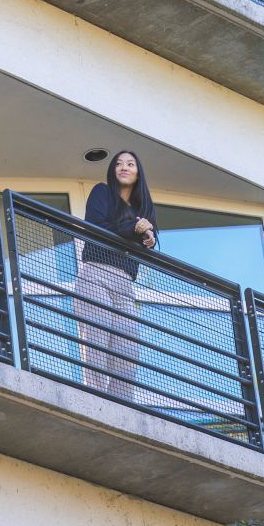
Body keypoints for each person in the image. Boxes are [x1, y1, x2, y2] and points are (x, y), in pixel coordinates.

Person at [76, 150, 157, 400]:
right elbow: (97, 225)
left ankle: (122, 406)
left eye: (130, 164)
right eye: (119, 164)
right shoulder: (102, 192)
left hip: (125, 284)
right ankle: (95, 401)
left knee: (128, 352)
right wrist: (133, 229)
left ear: (138, 172)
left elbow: (148, 241)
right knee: (96, 344)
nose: (124, 167)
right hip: (96, 273)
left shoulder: (143, 207)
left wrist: (148, 238)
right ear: (112, 170)